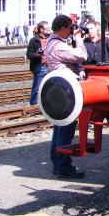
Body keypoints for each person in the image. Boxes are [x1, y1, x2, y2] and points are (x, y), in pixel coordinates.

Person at [44, 14, 88, 179]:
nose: (71, 31)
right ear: (62, 28)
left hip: (60, 89)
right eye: (70, 28)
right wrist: (80, 40)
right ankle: (63, 166)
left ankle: (57, 163)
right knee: (65, 129)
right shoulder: (58, 46)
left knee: (59, 127)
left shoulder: (52, 42)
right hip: (65, 91)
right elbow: (81, 55)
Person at [26, 21, 50, 105]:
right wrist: (37, 55)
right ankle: (33, 104)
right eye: (47, 28)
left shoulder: (51, 39)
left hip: (51, 66)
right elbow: (29, 54)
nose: (49, 30)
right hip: (40, 66)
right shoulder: (34, 40)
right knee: (37, 88)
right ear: (41, 29)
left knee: (49, 87)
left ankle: (46, 104)